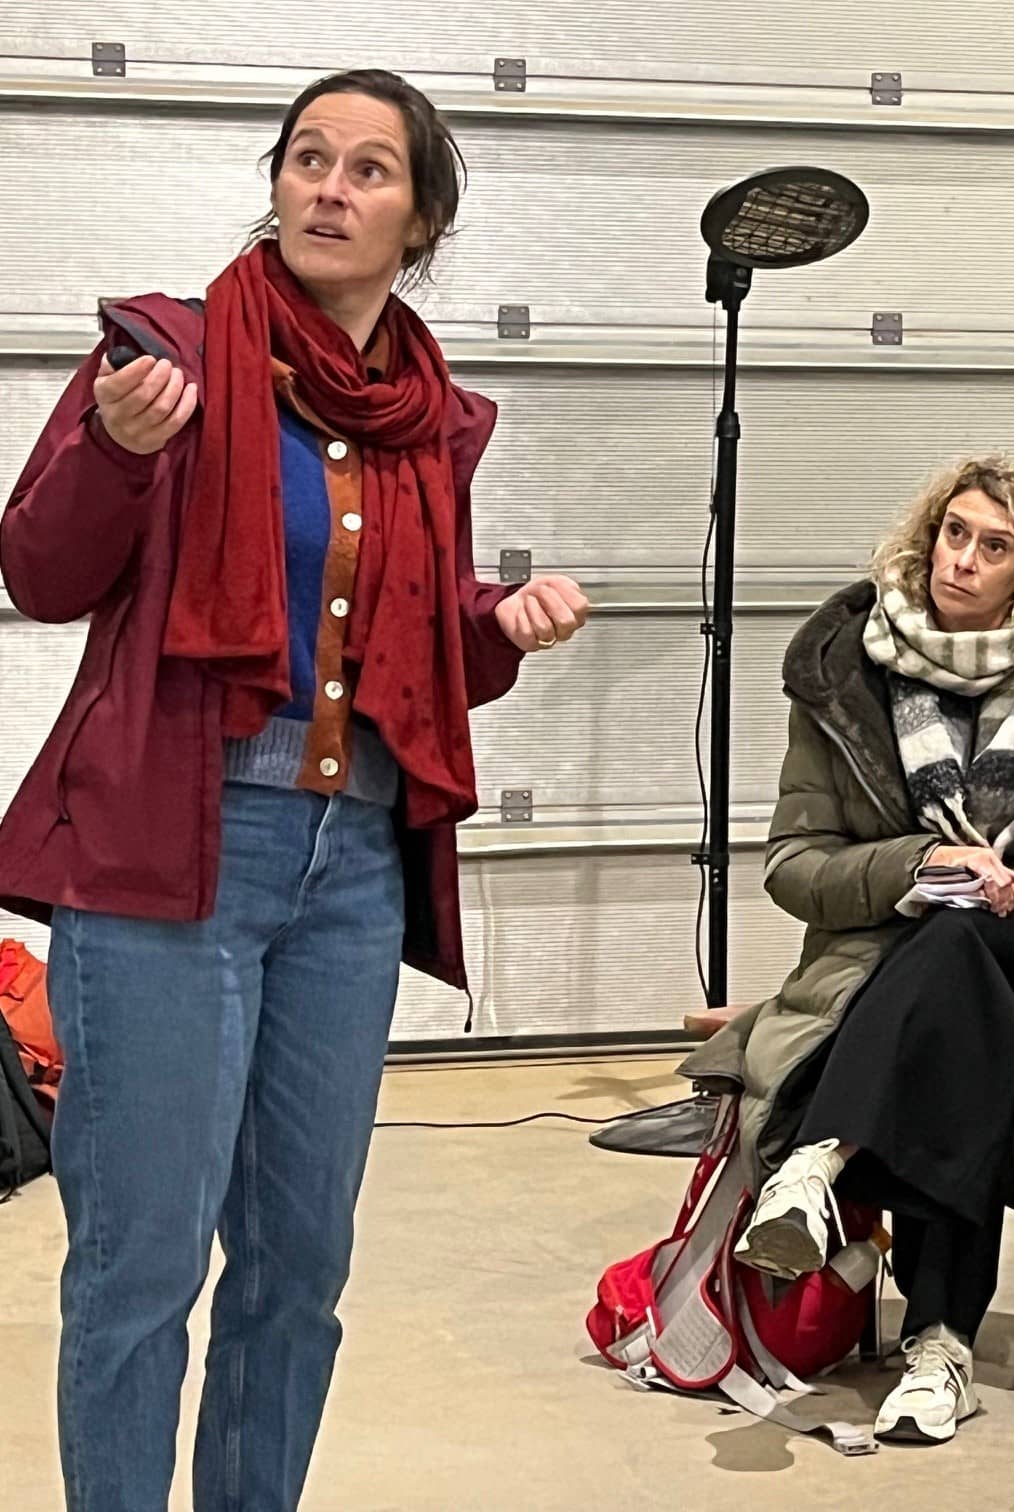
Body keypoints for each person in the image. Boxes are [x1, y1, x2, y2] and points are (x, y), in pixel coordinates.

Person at [0, 70, 590, 1511]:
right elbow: (41, 570)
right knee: (140, 1262)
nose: (329, 187)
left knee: (298, 1267)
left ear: (422, 219)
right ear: (274, 185)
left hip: (349, 868)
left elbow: (401, 638)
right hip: (171, 858)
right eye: (308, 159)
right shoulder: (169, 359)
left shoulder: (421, 412)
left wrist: (485, 632)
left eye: (369, 169)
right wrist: (116, 457)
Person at [682, 454, 1014, 1446]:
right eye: (955, 534)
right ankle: (942, 1344)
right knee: (958, 1009)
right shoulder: (847, 675)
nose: (964, 561)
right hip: (881, 963)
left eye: (995, 547)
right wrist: (916, 862)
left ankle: (821, 1155)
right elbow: (793, 863)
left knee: (974, 936)